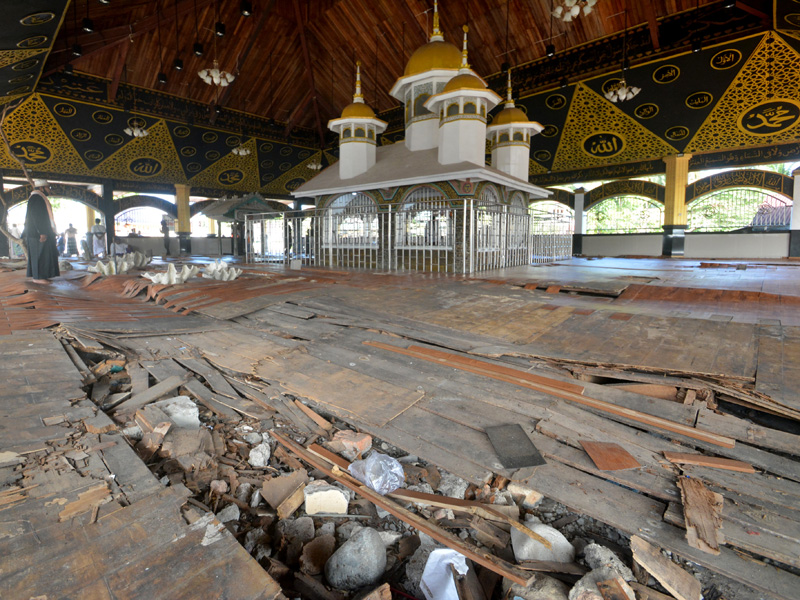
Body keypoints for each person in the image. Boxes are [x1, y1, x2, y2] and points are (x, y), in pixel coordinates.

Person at [22, 179, 60, 284]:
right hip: (37, 234)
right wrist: (42, 232)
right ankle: (38, 278)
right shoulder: (37, 198)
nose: (50, 190)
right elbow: (37, 217)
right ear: (42, 188)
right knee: (40, 255)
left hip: (37, 233)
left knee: (43, 254)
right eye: (48, 187)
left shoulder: (38, 197)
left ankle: (41, 276)